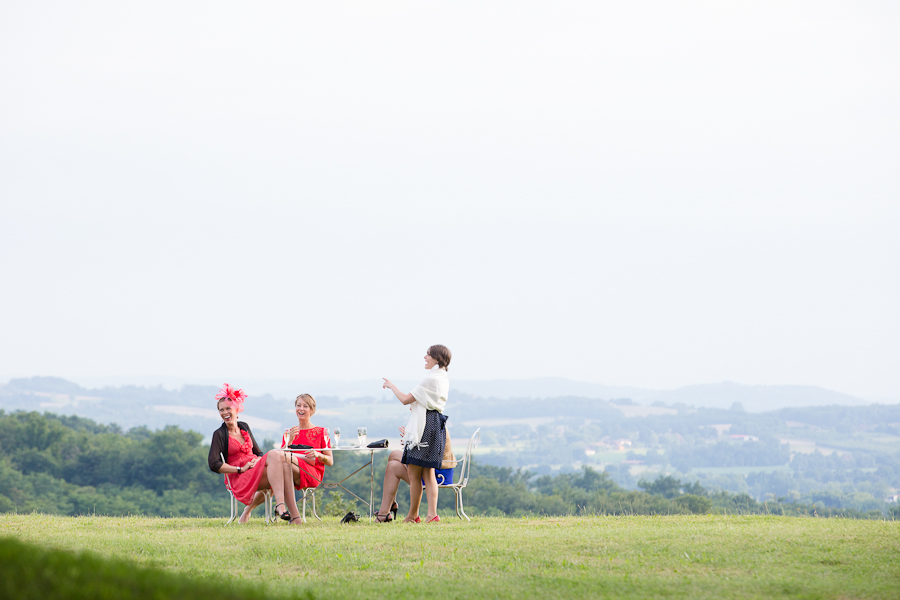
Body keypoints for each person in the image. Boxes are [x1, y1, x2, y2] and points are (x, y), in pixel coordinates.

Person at [207, 383, 303, 525]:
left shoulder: (244, 426)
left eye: (228, 408)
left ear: (237, 409)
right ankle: (281, 506)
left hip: (255, 467)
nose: (225, 412)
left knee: (284, 467)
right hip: (239, 475)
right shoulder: (219, 434)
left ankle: (294, 518)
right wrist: (241, 468)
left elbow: (258, 452)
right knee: (276, 457)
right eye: (221, 410)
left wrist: (257, 461)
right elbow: (214, 464)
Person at [382, 344, 451, 523]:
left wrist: (391, 386)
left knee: (414, 472)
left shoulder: (431, 379)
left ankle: (413, 516)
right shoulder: (442, 377)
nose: (425, 357)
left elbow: (406, 399)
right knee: (427, 472)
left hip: (426, 427)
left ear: (437, 358)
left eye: (428, 355)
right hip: (435, 425)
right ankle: (431, 514)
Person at [375, 422, 455, 523]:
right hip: (431, 466)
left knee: (394, 455)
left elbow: (424, 454)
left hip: (437, 473)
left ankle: (391, 506)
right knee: (392, 465)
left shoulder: (430, 422)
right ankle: (385, 512)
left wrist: (410, 441)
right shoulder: (428, 420)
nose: (410, 407)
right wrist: (410, 439)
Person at [280, 393, 334, 490]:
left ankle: (283, 504)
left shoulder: (321, 432)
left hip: (312, 474)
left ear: (311, 410)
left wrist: (318, 455)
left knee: (278, 471)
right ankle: (250, 506)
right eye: (298, 405)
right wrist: (290, 441)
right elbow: (280, 457)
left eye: (305, 406)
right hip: (291, 471)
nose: (301, 408)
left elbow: (330, 461)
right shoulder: (289, 433)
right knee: (274, 474)